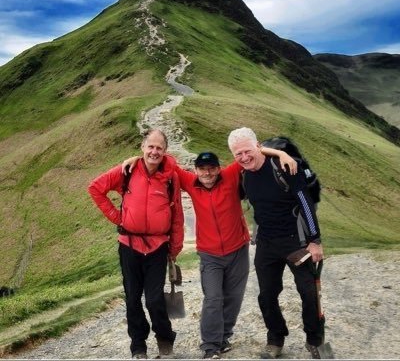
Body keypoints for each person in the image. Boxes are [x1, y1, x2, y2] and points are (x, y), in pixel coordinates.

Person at [122, 147, 296, 359]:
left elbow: (253, 150)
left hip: (238, 250)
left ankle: (223, 338)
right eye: (202, 169)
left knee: (233, 299)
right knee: (213, 298)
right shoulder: (189, 182)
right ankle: (210, 346)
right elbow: (166, 161)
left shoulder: (231, 174)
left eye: (211, 168)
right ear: (195, 170)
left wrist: (281, 154)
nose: (207, 173)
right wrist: (137, 158)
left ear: (218, 168)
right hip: (209, 254)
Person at [227, 127, 324, 359]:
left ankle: (315, 340)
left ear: (258, 145)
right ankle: (275, 338)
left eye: (247, 151)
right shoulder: (244, 174)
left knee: (309, 292)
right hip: (266, 243)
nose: (244, 157)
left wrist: (315, 241)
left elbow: (305, 203)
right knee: (267, 295)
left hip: (296, 241)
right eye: (238, 154)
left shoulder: (285, 167)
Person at [87, 129, 184, 360]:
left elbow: (177, 213)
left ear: (165, 151)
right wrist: (117, 217)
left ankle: (164, 338)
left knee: (154, 298)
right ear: (142, 147)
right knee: (132, 298)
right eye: (150, 146)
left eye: (159, 148)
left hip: (158, 247)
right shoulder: (127, 171)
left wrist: (175, 247)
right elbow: (95, 188)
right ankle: (138, 346)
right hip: (129, 245)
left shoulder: (170, 176)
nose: (154, 151)